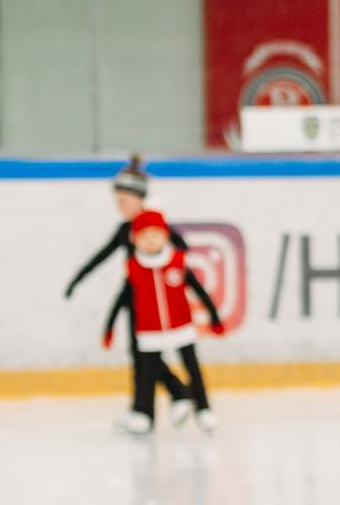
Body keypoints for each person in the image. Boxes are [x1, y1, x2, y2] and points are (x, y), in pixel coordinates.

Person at [101, 212, 225, 436]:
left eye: (155, 235)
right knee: (147, 373)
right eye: (144, 236)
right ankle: (143, 412)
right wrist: (109, 328)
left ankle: (203, 407)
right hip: (149, 330)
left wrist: (214, 318)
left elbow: (199, 291)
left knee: (192, 368)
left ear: (165, 236)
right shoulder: (135, 268)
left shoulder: (177, 262)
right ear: (135, 240)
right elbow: (121, 300)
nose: (150, 241)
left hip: (181, 326)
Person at [64, 157, 190, 302]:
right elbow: (101, 256)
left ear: (139, 198)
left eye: (123, 201)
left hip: (159, 290)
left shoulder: (155, 224)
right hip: (135, 290)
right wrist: (76, 281)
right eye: (117, 201)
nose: (120, 206)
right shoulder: (125, 230)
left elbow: (182, 247)